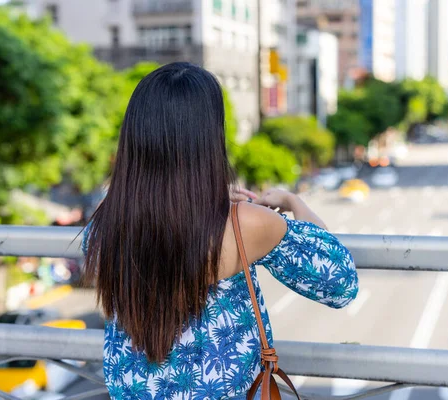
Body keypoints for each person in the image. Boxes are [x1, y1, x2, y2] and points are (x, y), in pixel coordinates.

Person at [81, 62, 358, 399]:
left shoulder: (106, 223)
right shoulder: (246, 223)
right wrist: (294, 203)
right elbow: (339, 283)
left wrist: (204, 203)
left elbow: (168, 230)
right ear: (209, 137)